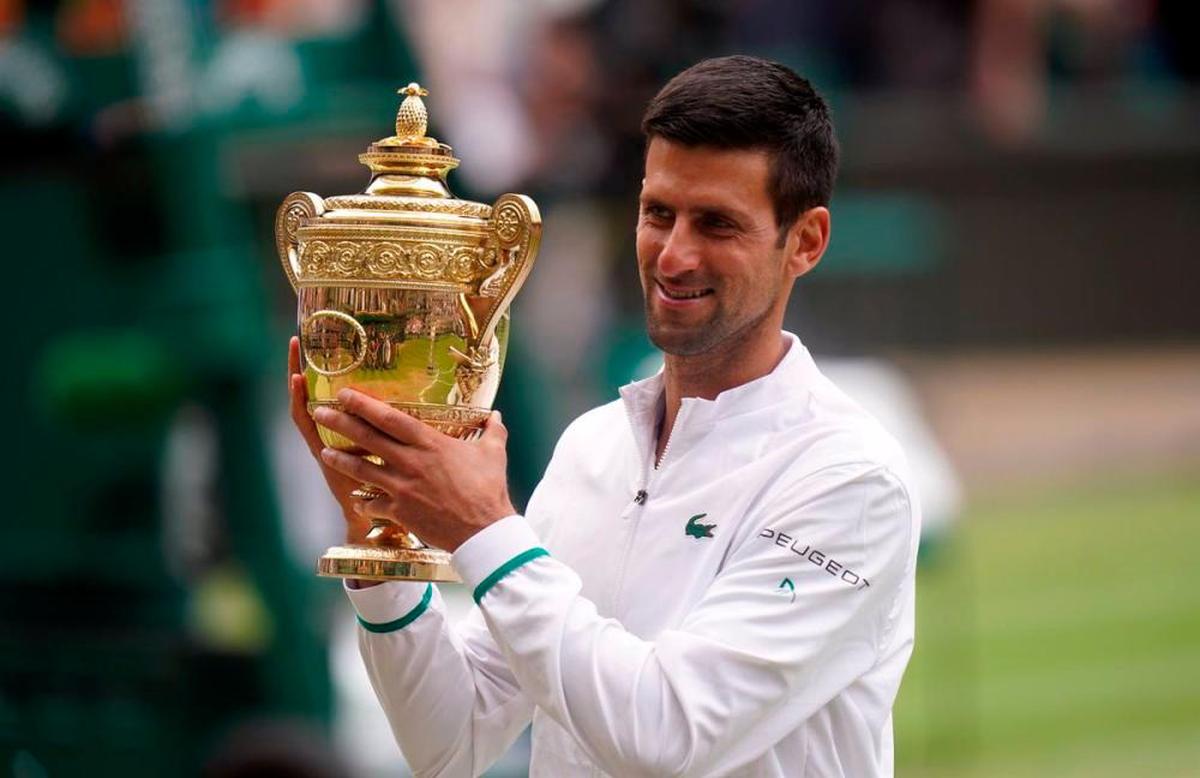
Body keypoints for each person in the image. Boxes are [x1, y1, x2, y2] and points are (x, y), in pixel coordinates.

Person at [288, 55, 920, 777]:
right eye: (659, 213)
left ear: (804, 242)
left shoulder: (849, 481)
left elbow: (667, 737)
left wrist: (484, 530)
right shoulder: (592, 446)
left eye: (716, 224)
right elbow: (451, 741)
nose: (674, 255)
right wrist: (382, 545)